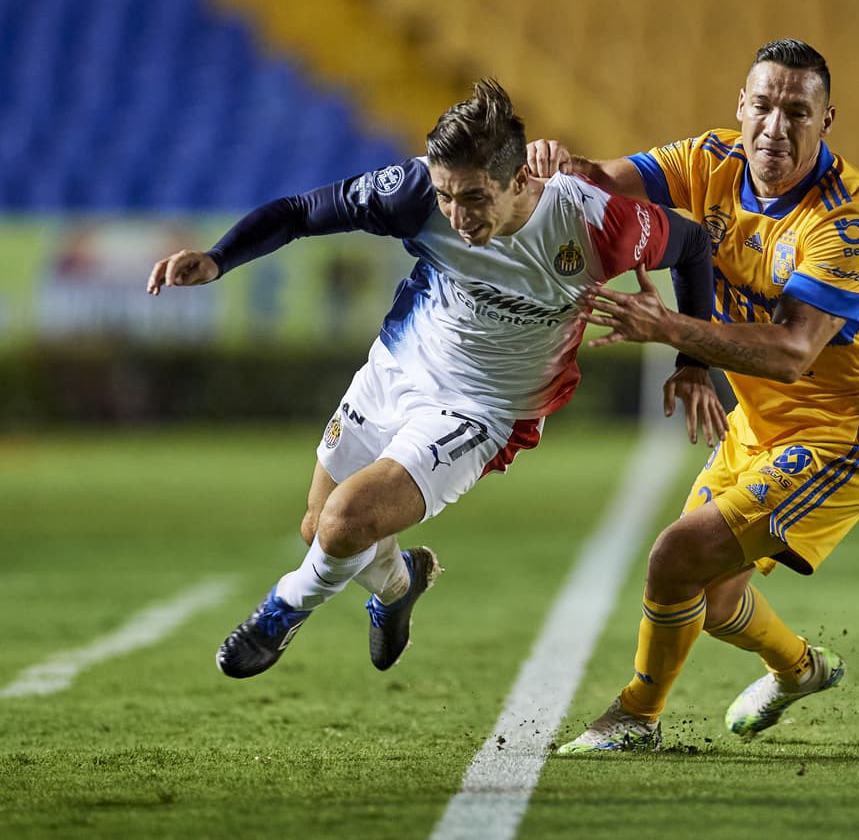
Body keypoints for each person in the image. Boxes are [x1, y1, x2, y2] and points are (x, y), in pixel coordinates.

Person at [146, 79, 726, 680]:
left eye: (473, 197)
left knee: (345, 525)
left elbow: (692, 246)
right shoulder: (417, 191)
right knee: (321, 528)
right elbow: (300, 213)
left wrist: (692, 359)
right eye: (447, 196)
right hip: (396, 367)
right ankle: (400, 586)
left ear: (521, 179)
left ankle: (284, 609)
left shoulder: (596, 224)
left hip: (486, 409)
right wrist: (218, 258)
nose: (456, 214)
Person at [527, 39, 859, 752]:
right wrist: (559, 166)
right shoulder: (709, 159)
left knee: (676, 555)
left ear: (827, 120)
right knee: (714, 596)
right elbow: (605, 181)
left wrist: (673, 330)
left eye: (797, 111)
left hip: (846, 435)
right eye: (763, 105)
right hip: (760, 424)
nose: (776, 126)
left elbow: (796, 351)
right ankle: (799, 669)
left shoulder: (849, 220)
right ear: (741, 107)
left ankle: (636, 715)